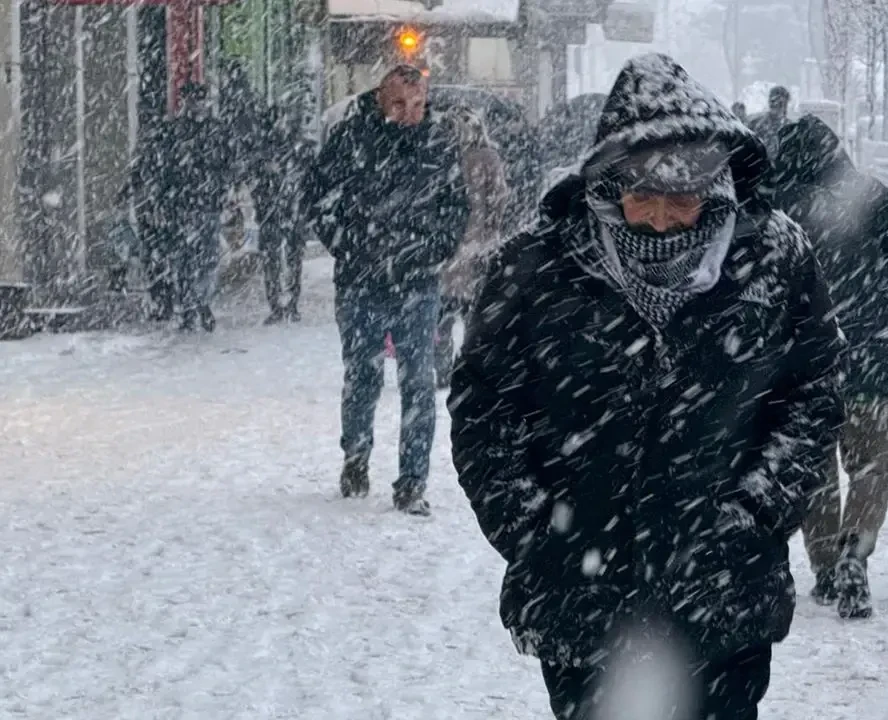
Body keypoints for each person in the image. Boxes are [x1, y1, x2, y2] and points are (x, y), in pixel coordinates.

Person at [451, 54, 843, 720]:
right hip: (583, 594)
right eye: (642, 197)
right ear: (608, 184)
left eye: (683, 199)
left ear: (717, 187)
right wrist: (537, 530)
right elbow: (483, 409)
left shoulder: (774, 258)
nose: (661, 220)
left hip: (722, 590)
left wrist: (754, 512)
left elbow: (814, 394)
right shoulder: (536, 265)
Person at [771, 114, 888, 620]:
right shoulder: (871, 195)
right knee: (871, 465)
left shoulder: (773, 207)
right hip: (871, 354)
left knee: (815, 466)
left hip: (803, 362)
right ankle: (854, 554)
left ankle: (824, 568)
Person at [302, 65, 468, 515]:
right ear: (380, 98)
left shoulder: (438, 142)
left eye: (418, 104)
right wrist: (349, 247)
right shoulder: (350, 139)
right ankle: (356, 457)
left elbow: (455, 208)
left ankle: (412, 481)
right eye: (399, 103)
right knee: (362, 376)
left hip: (418, 283)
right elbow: (319, 197)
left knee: (419, 383)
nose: (409, 113)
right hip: (361, 282)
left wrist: (431, 252)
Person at [436, 106, 509, 381]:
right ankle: (467, 366)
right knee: (472, 313)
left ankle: (444, 367)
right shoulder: (487, 157)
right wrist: (491, 229)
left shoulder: (444, 156)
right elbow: (499, 198)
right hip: (477, 246)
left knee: (445, 313)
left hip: (453, 247)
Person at [167, 83, 237, 332]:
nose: (196, 105)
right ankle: (189, 306)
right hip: (185, 204)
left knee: (206, 257)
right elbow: (167, 169)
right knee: (186, 259)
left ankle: (202, 303)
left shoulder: (217, 130)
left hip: (207, 203)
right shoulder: (177, 131)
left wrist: (225, 189)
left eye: (200, 100)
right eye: (191, 100)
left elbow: (229, 164)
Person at [253, 107, 313, 324]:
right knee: (276, 259)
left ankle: (289, 303)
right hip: (275, 211)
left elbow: (309, 178)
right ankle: (280, 304)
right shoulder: (266, 149)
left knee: (289, 258)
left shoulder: (298, 148)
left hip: (289, 209)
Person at [124, 124, 176, 321]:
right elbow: (134, 182)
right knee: (156, 260)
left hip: (154, 218)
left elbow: (136, 182)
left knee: (156, 260)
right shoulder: (152, 159)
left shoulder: (155, 159)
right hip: (151, 218)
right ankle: (163, 302)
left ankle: (163, 303)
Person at [746, 86, 791, 157]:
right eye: (772, 101)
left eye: (780, 103)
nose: (775, 104)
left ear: (785, 104)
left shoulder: (791, 128)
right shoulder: (755, 124)